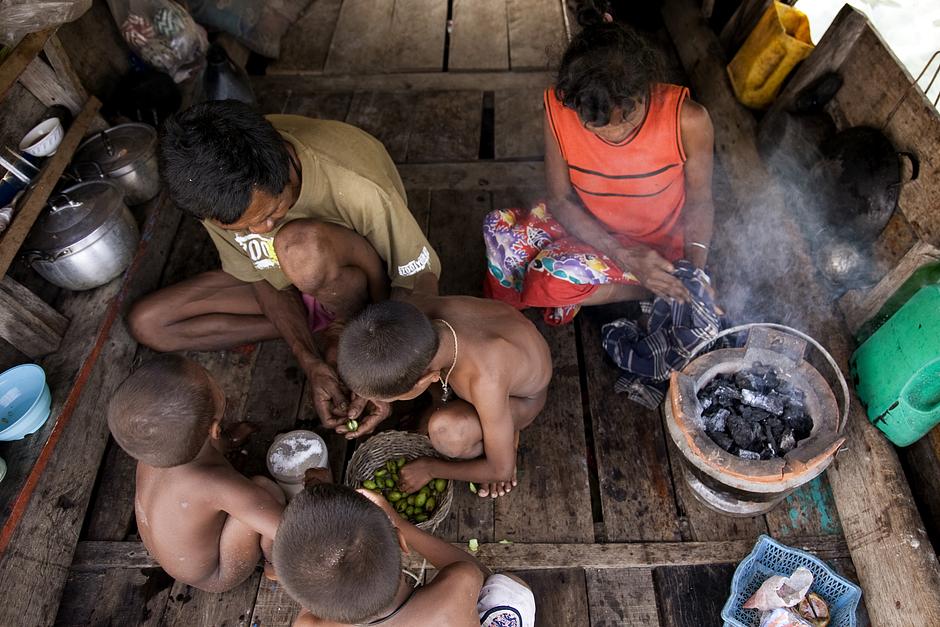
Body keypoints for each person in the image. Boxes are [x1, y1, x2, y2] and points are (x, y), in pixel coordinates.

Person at [128, 100, 441, 436]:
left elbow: (419, 281)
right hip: (295, 284)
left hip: (357, 280)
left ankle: (344, 327)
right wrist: (310, 360)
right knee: (149, 324)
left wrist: (375, 370)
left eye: (271, 213)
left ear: (284, 162)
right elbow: (261, 276)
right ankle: (325, 330)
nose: (262, 230)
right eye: (243, 228)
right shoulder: (213, 191)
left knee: (297, 248)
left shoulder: (355, 186)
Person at [484, 9, 715, 325]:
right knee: (501, 238)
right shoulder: (558, 108)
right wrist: (623, 255)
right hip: (595, 234)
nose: (614, 135)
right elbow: (560, 200)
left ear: (645, 87)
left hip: (659, 252)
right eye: (595, 126)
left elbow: (701, 200)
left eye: (626, 122)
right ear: (572, 101)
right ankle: (643, 286)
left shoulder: (688, 120)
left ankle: (653, 288)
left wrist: (692, 274)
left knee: (548, 280)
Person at [337, 298, 552, 498]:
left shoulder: (485, 379)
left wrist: (430, 469)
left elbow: (501, 470)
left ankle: (506, 435)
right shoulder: (414, 316)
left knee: (446, 432)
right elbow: (426, 277)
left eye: (390, 398)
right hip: (497, 346)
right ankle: (496, 431)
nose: (381, 402)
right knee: (432, 412)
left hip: (521, 398)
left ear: (429, 379)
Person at [106, 355, 286, 592]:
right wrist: (322, 490)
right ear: (213, 428)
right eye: (209, 378)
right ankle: (275, 565)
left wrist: (225, 441)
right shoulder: (213, 484)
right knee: (266, 489)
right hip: (216, 572)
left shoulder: (156, 444)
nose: (212, 377)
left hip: (175, 554)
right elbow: (285, 529)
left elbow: (203, 442)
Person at [273, 484, 536, 626]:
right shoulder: (459, 585)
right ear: (401, 541)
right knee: (506, 589)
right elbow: (475, 572)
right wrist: (400, 522)